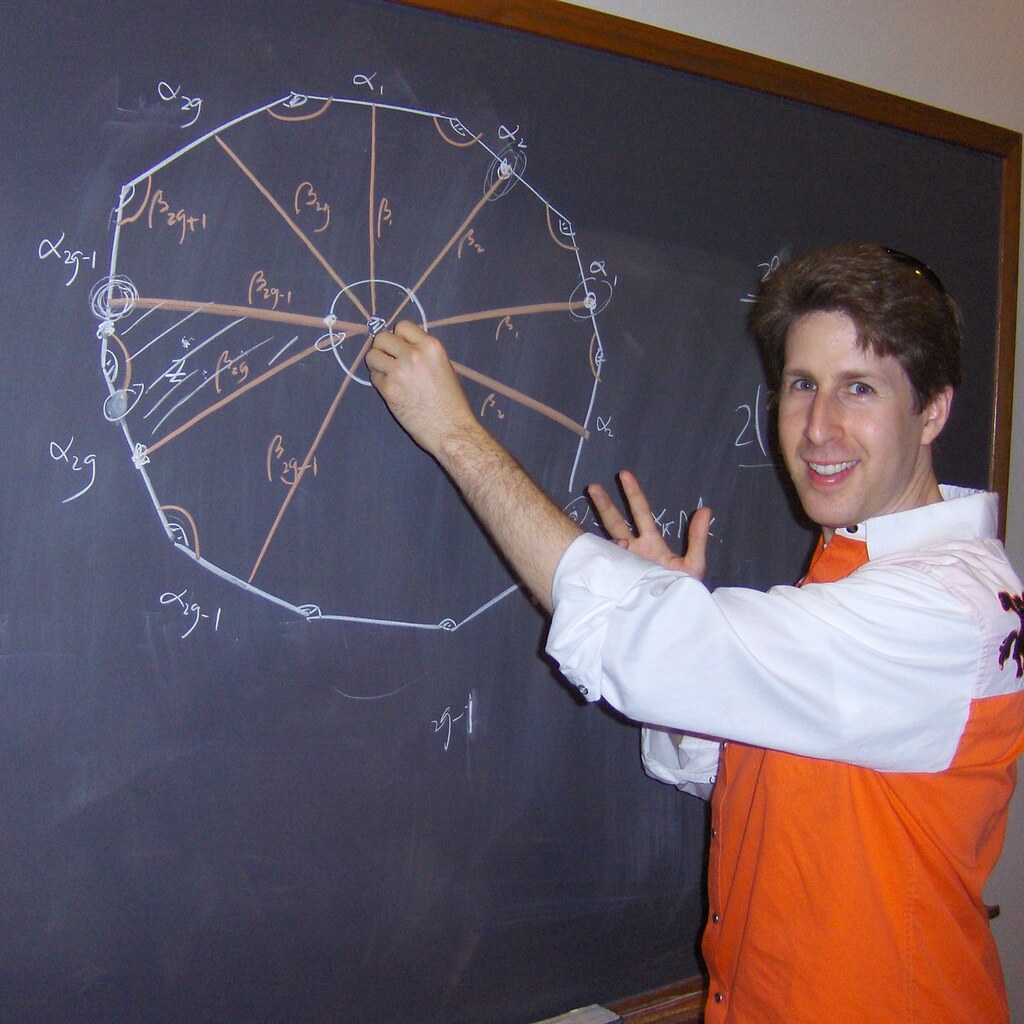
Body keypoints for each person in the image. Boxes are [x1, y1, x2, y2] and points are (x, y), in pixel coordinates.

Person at [366, 243, 1024, 1023]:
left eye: (860, 388)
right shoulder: (859, 566)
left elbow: (635, 645)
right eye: (801, 384)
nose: (818, 427)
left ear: (934, 409)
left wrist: (454, 435)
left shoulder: (946, 605)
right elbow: (753, 767)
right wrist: (683, 637)